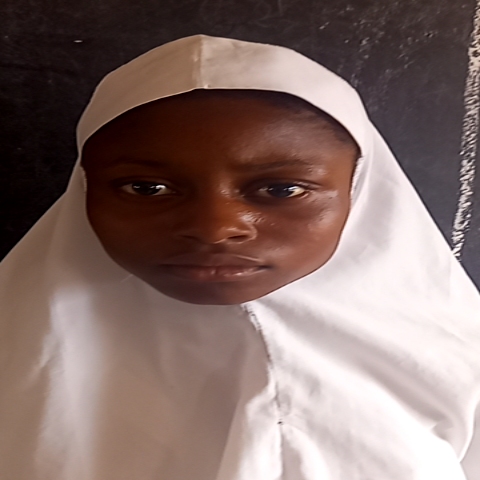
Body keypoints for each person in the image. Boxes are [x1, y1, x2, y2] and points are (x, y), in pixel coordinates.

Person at [0, 34, 479, 480]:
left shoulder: (451, 351)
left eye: (281, 189)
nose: (214, 228)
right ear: (85, 190)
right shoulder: (14, 352)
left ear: (360, 191)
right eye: (147, 188)